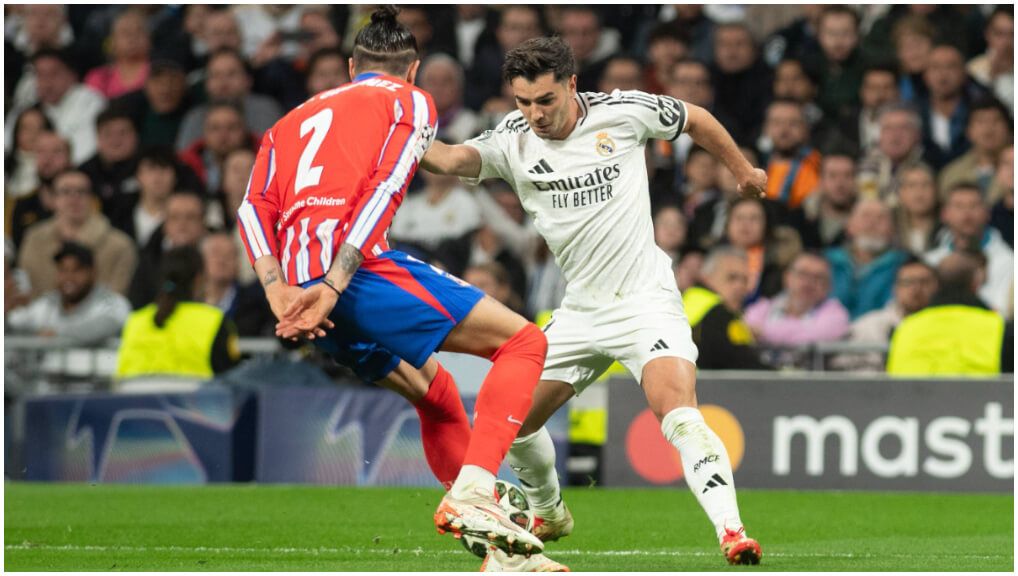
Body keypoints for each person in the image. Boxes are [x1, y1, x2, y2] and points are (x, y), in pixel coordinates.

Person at [421, 36, 765, 566]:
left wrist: (742, 169)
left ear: (571, 85)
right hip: (580, 311)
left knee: (678, 413)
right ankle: (551, 512)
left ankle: (732, 531)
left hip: (645, 301)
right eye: (522, 102)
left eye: (545, 101)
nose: (534, 114)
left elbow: (694, 116)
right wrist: (394, 121)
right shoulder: (511, 140)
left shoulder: (624, 112)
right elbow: (445, 158)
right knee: (512, 421)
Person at [239, 7, 548, 562]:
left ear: (350, 65)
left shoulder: (287, 122)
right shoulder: (409, 101)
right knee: (524, 342)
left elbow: (252, 207)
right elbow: (383, 191)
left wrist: (278, 290)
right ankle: (477, 489)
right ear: (413, 70)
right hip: (351, 278)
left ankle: (507, 557)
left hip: (299, 290)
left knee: (439, 398)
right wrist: (334, 285)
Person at [116, 245, 240, 382]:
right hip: (194, 401)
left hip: (133, 402)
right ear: (199, 279)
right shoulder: (213, 320)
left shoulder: (135, 321)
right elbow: (232, 376)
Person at [887, 252, 1013, 376]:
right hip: (983, 396)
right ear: (975, 283)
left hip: (913, 396)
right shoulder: (999, 327)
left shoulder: (904, 328)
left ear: (936, 284)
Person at [18, 169, 137, 298]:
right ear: (53, 199)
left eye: (81, 192)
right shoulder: (34, 239)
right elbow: (24, 289)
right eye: (66, 192)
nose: (74, 198)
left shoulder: (120, 245)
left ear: (92, 199)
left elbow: (117, 299)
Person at [6, 242, 131, 345]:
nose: (69, 278)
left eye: (77, 270)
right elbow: (16, 323)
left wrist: (57, 334)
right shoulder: (47, 304)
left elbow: (108, 324)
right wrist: (7, 308)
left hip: (97, 374)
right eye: (63, 270)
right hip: (50, 373)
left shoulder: (111, 301)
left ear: (93, 273)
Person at [831, 258, 938, 372]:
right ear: (895, 288)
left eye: (924, 282)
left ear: (936, 287)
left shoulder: (945, 327)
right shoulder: (868, 326)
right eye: (908, 282)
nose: (916, 289)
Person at [924, 183, 1013, 316]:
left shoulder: (1010, 262)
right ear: (944, 214)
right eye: (959, 206)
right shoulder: (929, 261)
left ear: (987, 212)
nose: (967, 213)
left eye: (974, 206)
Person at [825, 198, 908, 319]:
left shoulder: (905, 265)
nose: (872, 222)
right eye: (865, 216)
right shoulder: (825, 262)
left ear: (892, 229)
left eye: (881, 218)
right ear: (849, 225)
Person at [744, 252, 849, 347]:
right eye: (803, 274)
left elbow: (812, 338)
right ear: (787, 277)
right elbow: (746, 331)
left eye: (818, 277)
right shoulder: (763, 307)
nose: (809, 282)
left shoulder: (836, 313)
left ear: (829, 286)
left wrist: (764, 332)